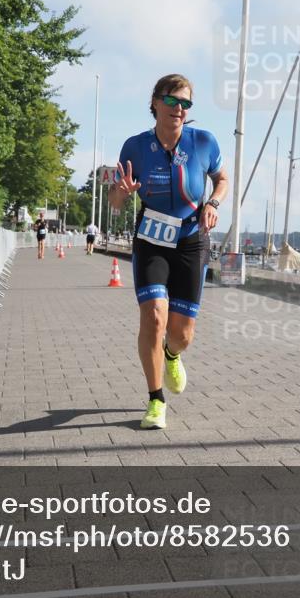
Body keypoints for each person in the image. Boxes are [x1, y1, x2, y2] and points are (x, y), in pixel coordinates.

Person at [110, 74, 228, 430]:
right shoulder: (134, 147)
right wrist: (122, 193)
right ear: (155, 103)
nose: (179, 108)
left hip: (191, 239)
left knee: (182, 334)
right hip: (152, 239)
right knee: (153, 317)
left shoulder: (203, 142)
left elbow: (222, 179)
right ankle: (155, 399)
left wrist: (213, 203)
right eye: (172, 100)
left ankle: (172, 354)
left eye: (185, 103)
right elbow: (115, 202)